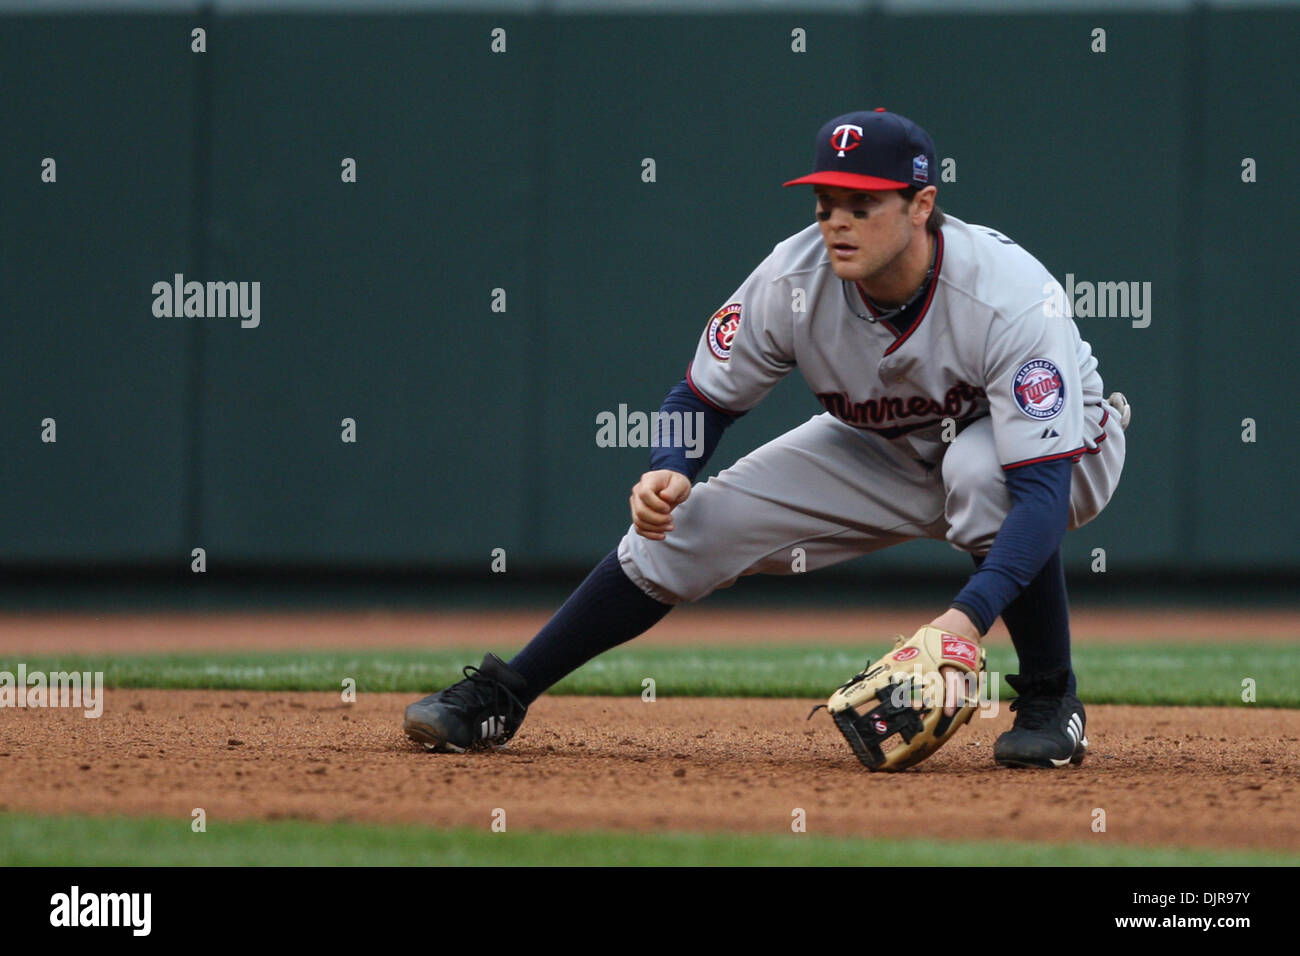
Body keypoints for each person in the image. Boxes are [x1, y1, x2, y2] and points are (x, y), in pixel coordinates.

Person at [404, 108, 1129, 769]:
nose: (838, 223)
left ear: (921, 206)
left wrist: (963, 622)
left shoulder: (1005, 295)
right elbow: (699, 395)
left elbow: (1039, 491)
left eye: (862, 204)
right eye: (826, 205)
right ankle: (505, 695)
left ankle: (1049, 699)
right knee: (685, 528)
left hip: (1064, 450)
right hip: (887, 447)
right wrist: (671, 466)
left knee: (981, 474)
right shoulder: (793, 278)